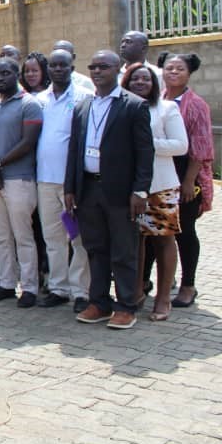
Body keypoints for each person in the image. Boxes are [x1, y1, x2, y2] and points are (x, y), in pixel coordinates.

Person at [66, 50, 153, 330]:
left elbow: (144, 152)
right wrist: (70, 187)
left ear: (117, 69)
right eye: (92, 66)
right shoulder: (83, 106)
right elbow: (74, 150)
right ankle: (99, 303)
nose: (96, 71)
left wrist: (140, 191)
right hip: (88, 189)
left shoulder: (134, 106)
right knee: (95, 248)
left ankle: (126, 305)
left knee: (123, 250)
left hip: (120, 190)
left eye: (103, 66)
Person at [121, 63, 187, 321]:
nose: (140, 83)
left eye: (145, 79)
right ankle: (135, 292)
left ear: (154, 83)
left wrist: (146, 143)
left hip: (160, 186)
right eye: (134, 79)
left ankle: (162, 299)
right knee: (134, 241)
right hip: (130, 188)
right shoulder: (121, 109)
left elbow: (181, 145)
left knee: (163, 240)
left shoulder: (167, 109)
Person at [0, 57, 42, 307]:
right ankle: (6, 283)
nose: (1, 78)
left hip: (19, 178)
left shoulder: (29, 104)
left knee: (23, 235)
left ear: (17, 75)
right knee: (0, 235)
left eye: (6, 73)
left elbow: (28, 143)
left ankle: (29, 287)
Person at [35, 50, 92, 312]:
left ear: (72, 67)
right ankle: (59, 287)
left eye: (63, 65)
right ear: (48, 69)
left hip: (74, 183)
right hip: (45, 179)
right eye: (54, 65)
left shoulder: (84, 98)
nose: (58, 69)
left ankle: (81, 291)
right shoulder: (39, 100)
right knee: (53, 237)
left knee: (78, 238)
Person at [160, 52, 214, 309]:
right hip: (161, 175)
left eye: (179, 68)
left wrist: (188, 182)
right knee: (159, 233)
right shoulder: (157, 99)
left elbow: (201, 147)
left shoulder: (196, 105)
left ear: (189, 72)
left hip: (185, 176)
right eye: (169, 67)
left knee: (185, 232)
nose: (173, 72)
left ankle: (188, 285)